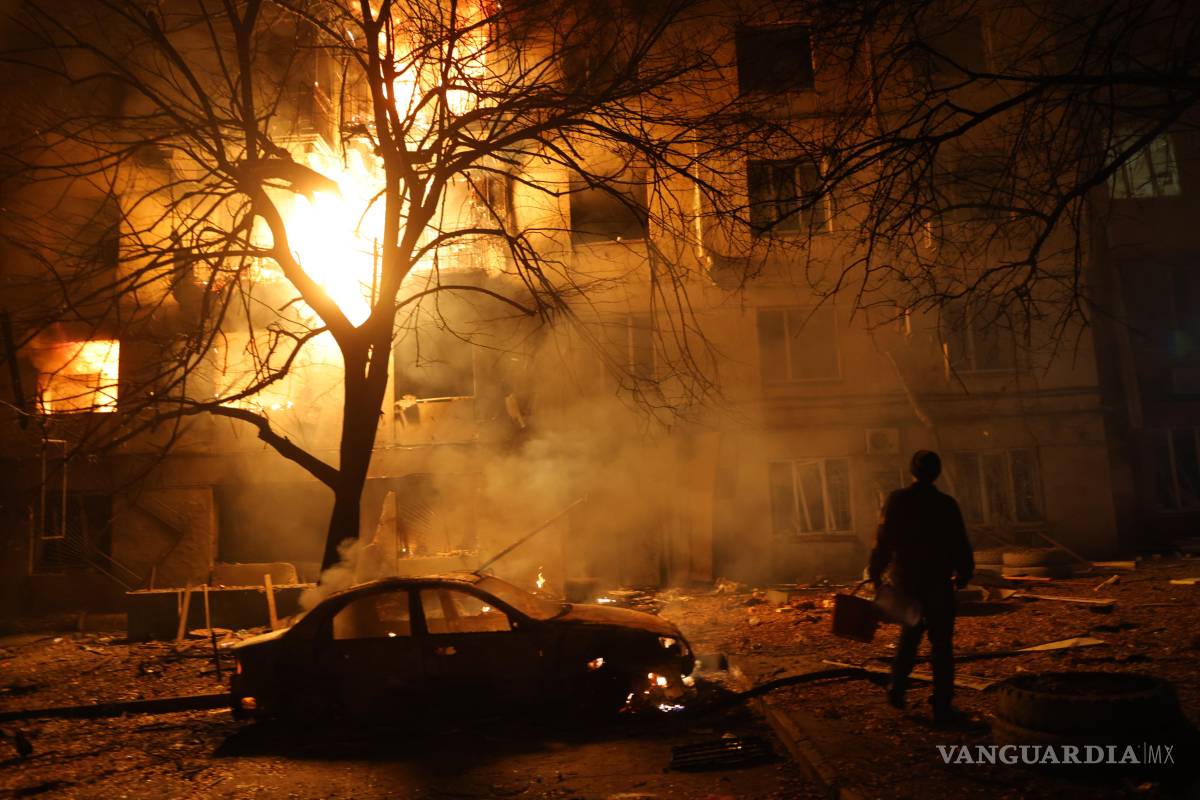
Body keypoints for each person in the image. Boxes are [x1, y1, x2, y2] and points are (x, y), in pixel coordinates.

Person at [868, 449, 974, 725]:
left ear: (911, 471)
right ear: (937, 472)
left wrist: (876, 572)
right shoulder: (946, 504)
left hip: (907, 580)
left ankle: (896, 689)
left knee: (910, 636)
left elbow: (883, 539)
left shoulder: (898, 500)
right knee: (942, 645)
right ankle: (942, 704)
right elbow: (960, 542)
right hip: (938, 581)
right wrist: (964, 573)